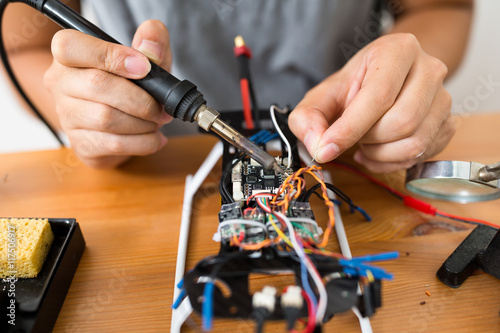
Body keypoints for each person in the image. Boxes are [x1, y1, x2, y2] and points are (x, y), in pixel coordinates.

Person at [5, 0, 473, 172]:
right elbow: (24, 44)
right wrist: (88, 113)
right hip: (153, 170)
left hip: (348, 154)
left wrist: (402, 85)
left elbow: (442, 6)